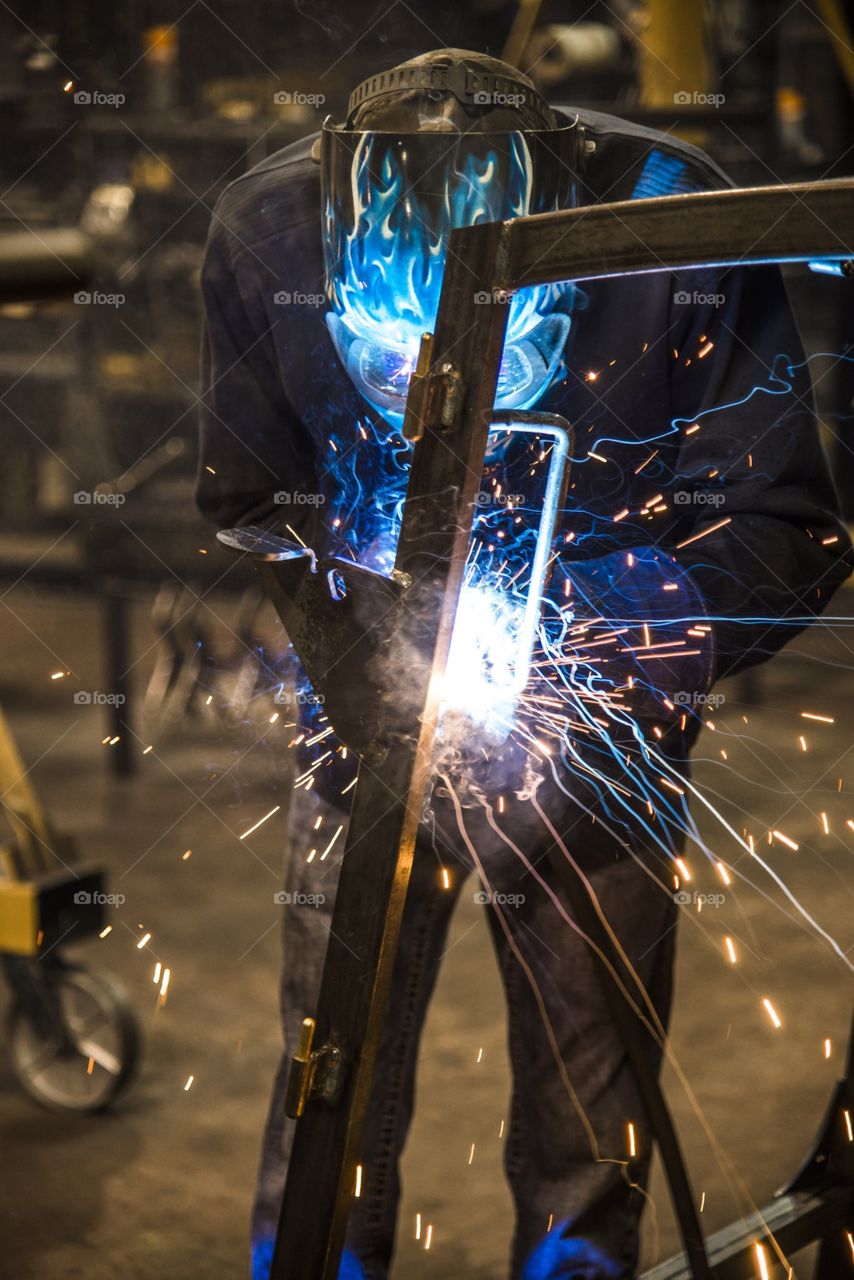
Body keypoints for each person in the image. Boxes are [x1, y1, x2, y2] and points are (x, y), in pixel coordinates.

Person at [197, 47, 851, 1280]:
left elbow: (784, 526)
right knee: (323, 1119)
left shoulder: (673, 225)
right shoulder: (266, 229)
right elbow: (251, 495)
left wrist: (607, 630)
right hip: (367, 736)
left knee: (582, 1143)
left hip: (597, 750)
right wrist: (369, 686)